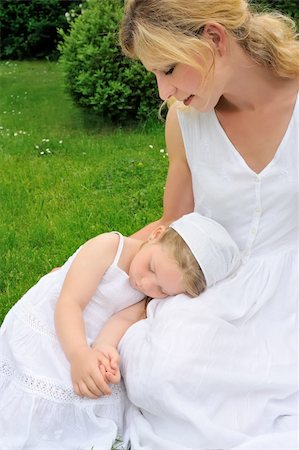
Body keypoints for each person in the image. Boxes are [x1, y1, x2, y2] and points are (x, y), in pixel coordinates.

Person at [117, 0, 299, 449]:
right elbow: (173, 220)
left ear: (214, 39)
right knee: (162, 376)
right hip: (211, 282)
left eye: (169, 69)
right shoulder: (186, 120)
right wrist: (100, 255)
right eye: (155, 75)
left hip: (291, 291)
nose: (163, 92)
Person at [0, 212, 240, 450]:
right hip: (56, 319)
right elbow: (70, 302)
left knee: (83, 394)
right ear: (156, 234)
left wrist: (103, 349)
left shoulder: (147, 296)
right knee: (36, 383)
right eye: (152, 268)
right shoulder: (109, 248)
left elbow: (121, 319)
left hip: (87, 339)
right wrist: (79, 354)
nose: (145, 284)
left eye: (163, 290)